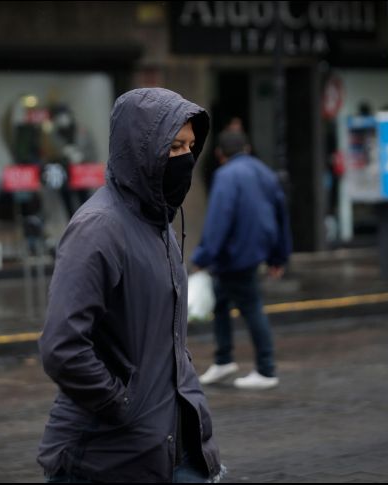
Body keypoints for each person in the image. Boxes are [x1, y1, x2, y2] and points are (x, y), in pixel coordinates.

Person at [37, 88, 224, 483]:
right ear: (141, 150)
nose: (185, 159)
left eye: (190, 146)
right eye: (173, 147)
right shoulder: (99, 229)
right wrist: (122, 402)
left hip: (175, 448)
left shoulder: (160, 225)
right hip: (107, 459)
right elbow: (62, 347)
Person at [193, 130, 291, 391]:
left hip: (234, 254)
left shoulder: (225, 176)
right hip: (254, 250)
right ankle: (224, 359)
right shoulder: (265, 172)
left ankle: (266, 369)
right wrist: (279, 256)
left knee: (251, 306)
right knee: (220, 300)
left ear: (219, 154)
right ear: (247, 148)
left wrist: (203, 255)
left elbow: (218, 219)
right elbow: (281, 215)